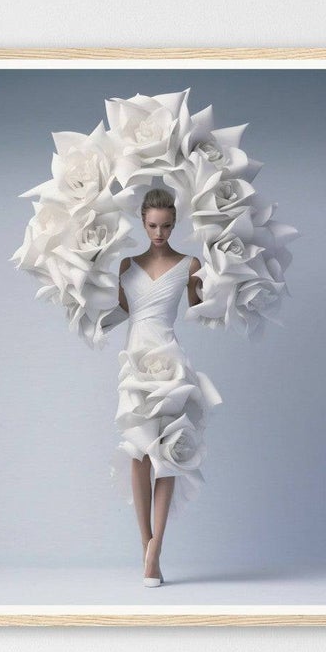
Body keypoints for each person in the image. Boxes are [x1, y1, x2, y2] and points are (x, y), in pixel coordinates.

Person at [114, 187, 221, 587]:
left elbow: (198, 310)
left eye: (167, 225)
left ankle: (155, 552)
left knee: (170, 453)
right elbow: (119, 312)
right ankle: (148, 548)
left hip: (170, 362)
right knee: (139, 454)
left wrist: (217, 284)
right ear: (142, 222)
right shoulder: (125, 265)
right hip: (134, 363)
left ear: (176, 223)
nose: (160, 233)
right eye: (153, 225)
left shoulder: (189, 263)